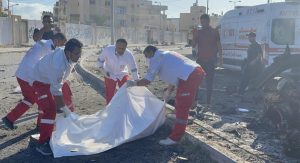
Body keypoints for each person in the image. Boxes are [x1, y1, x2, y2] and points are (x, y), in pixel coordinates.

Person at [126, 45, 205, 146]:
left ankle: (175, 137)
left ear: (150, 52)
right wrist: (169, 89)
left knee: (182, 106)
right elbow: (175, 72)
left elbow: (147, 80)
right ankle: (183, 117)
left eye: (146, 55)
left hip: (189, 77)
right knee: (181, 101)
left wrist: (134, 83)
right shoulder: (167, 54)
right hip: (195, 72)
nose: (146, 58)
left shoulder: (155, 59)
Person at [1, 33, 68, 130]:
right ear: (57, 40)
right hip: (28, 76)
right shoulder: (50, 48)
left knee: (30, 99)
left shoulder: (43, 42)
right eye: (62, 43)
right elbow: (50, 66)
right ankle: (41, 124)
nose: (62, 46)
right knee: (43, 100)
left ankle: (9, 119)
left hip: (22, 74)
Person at [28, 38, 82, 155]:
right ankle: (43, 143)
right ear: (68, 53)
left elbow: (64, 73)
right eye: (77, 53)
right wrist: (64, 109)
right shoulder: (58, 65)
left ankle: (56, 131)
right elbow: (56, 90)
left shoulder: (66, 53)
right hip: (40, 82)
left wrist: (73, 73)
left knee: (61, 102)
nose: (79, 56)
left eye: (80, 53)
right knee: (50, 109)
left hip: (51, 79)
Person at [97, 38, 139, 104]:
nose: (121, 50)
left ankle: (124, 107)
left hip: (122, 74)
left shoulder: (129, 54)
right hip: (109, 73)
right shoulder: (108, 50)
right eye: (119, 48)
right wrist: (103, 71)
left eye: (123, 49)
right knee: (110, 94)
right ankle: (110, 109)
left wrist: (136, 80)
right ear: (115, 46)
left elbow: (133, 68)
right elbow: (100, 61)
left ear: (126, 48)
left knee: (125, 92)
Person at [192, 14, 222, 106]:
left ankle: (208, 103)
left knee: (209, 82)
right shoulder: (199, 32)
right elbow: (193, 45)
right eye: (201, 22)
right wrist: (194, 35)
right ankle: (195, 101)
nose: (203, 23)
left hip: (210, 61)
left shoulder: (214, 32)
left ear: (208, 21)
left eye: (204, 21)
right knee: (196, 80)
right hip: (200, 60)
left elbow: (219, 45)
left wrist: (221, 58)